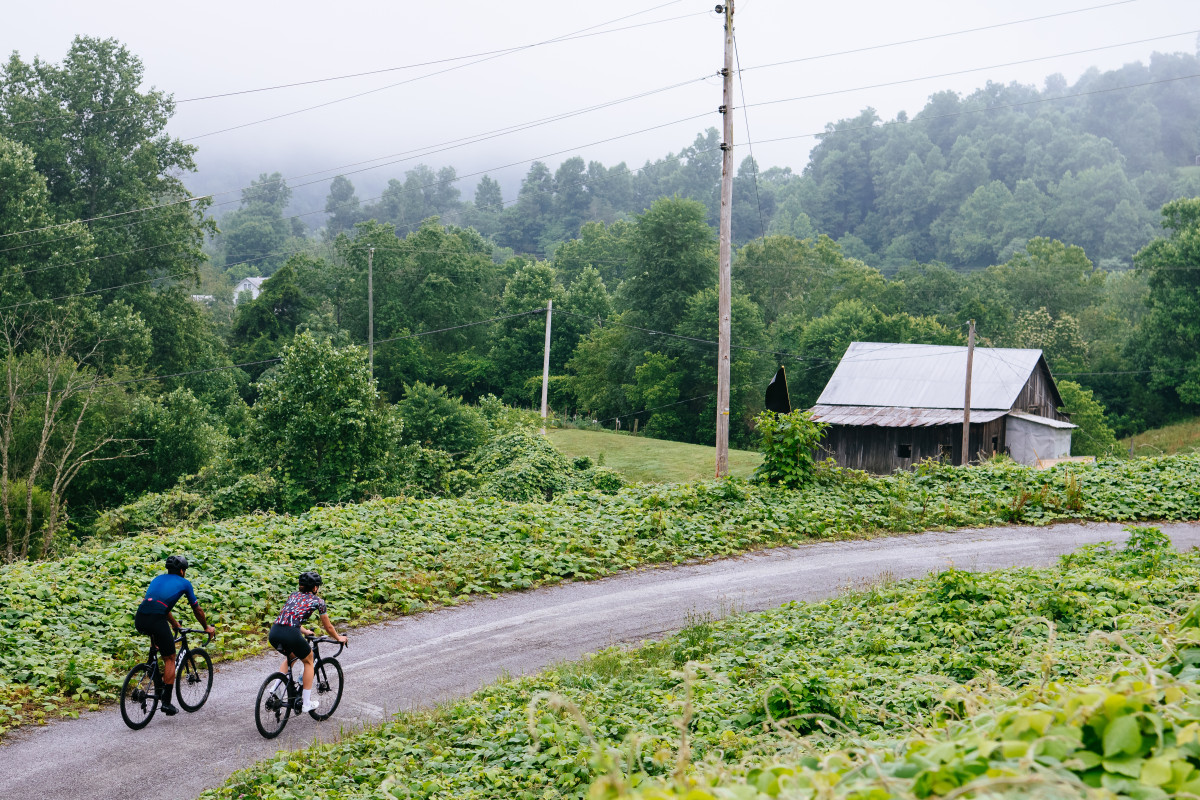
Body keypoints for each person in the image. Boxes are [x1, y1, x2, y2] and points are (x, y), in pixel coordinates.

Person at [134, 554, 216, 716]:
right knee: (170, 657)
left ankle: (152, 672)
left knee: (156, 646)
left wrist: (174, 624)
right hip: (157, 619)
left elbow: (160, 605)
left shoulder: (157, 579)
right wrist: (206, 627)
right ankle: (166, 702)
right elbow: (197, 610)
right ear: (181, 570)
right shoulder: (185, 583)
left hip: (141, 617)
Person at [268, 571, 347, 713]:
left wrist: (305, 632)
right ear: (315, 588)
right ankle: (306, 703)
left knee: (291, 656)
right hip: (291, 633)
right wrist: (338, 637)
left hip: (274, 632)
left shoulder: (293, 595)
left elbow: (290, 617)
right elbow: (328, 627)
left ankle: (276, 688)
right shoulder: (318, 602)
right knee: (309, 660)